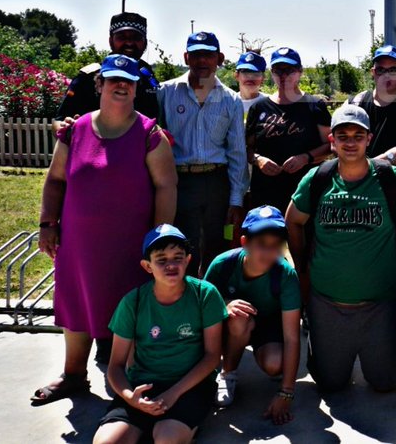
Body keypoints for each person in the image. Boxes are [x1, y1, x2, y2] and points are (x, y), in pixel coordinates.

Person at [33, 54, 177, 405]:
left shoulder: (150, 134)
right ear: (99, 84)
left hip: (130, 245)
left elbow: (166, 187)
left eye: (127, 81)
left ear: (136, 88)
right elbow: (54, 180)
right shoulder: (75, 130)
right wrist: (47, 224)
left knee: (131, 310)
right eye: (113, 80)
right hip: (79, 244)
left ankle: (130, 381)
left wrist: (159, 240)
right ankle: (74, 376)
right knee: (77, 307)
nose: (120, 86)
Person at [285, 104, 396, 392]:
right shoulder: (318, 178)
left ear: (369, 139)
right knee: (331, 383)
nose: (350, 142)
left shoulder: (389, 177)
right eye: (342, 135)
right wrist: (303, 269)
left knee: (385, 382)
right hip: (327, 303)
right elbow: (293, 221)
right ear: (332, 140)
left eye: (357, 136)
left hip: (380, 303)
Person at [94, 225, 227, 444]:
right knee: (106, 442)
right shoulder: (133, 302)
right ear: (147, 266)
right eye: (161, 260)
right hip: (142, 387)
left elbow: (212, 356)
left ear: (188, 260)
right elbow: (116, 366)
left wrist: (173, 393)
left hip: (189, 386)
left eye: (178, 257)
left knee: (166, 439)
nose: (171, 265)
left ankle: (181, 427)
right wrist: (131, 397)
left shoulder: (205, 294)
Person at [157, 31, 249, 276]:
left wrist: (236, 199)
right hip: (178, 181)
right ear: (186, 57)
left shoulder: (231, 100)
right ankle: (182, 301)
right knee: (181, 245)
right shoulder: (165, 93)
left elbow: (237, 152)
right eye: (196, 55)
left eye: (208, 55)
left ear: (219, 58)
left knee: (216, 246)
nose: (202, 61)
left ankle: (212, 303)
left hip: (215, 181)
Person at [203, 205, 301, 423]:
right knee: (239, 318)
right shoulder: (222, 265)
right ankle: (227, 373)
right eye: (261, 244)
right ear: (244, 242)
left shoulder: (286, 275)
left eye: (276, 245)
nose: (269, 252)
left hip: (268, 326)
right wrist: (224, 306)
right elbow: (200, 309)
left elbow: (293, 336)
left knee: (276, 364)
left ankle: (263, 356)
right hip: (232, 325)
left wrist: (286, 392)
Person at [245, 47, 332, 213]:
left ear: (300, 72)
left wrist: (306, 157)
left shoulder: (314, 106)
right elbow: (247, 148)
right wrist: (258, 160)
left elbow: (330, 145)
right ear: (272, 73)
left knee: (302, 237)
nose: (283, 75)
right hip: (266, 191)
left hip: (304, 189)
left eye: (289, 70)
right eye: (278, 70)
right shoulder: (259, 107)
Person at [56, 12, 159, 128]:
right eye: (122, 37)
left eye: (136, 38)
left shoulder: (148, 76)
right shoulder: (88, 77)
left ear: (144, 43)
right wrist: (66, 129)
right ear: (111, 41)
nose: (129, 43)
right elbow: (59, 121)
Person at [349, 44, 396, 167]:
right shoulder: (356, 103)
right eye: (380, 70)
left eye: (393, 70)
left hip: (394, 182)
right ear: (373, 72)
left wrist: (368, 168)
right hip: (357, 182)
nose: (386, 75)